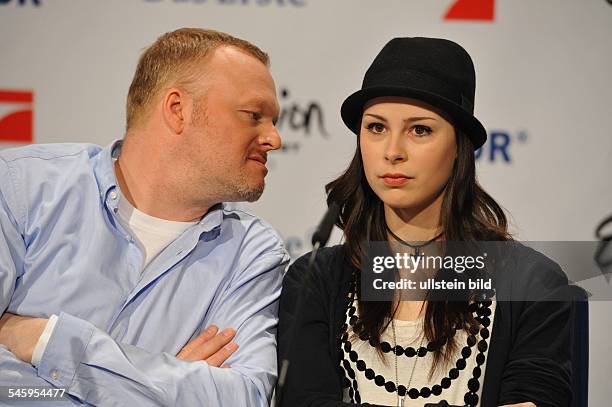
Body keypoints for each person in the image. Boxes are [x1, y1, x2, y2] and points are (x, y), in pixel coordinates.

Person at [0, 28, 289, 406]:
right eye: (254, 116)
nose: (274, 139)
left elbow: (240, 398)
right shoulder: (20, 188)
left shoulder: (252, 253)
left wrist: (47, 342)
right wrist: (167, 381)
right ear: (177, 109)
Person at [278, 38, 573, 407]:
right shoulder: (316, 280)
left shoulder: (532, 283)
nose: (393, 151)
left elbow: (537, 398)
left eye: (420, 130)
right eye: (376, 128)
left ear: (459, 146)